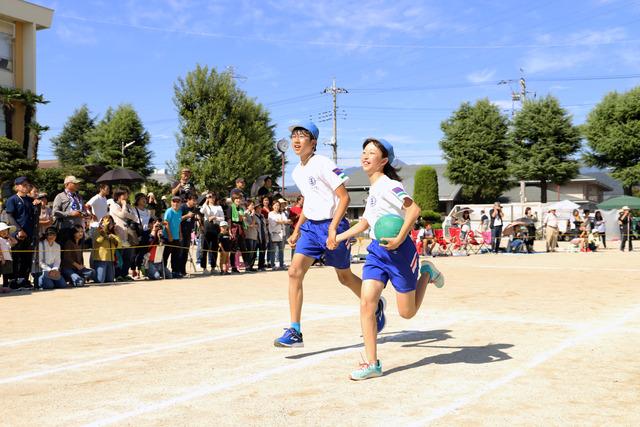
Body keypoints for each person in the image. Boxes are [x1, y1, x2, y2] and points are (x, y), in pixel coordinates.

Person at [335, 137, 444, 380]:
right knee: (366, 302)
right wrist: (339, 236)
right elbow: (365, 222)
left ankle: (426, 273)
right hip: (376, 252)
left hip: (400, 252)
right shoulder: (373, 189)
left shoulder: (388, 185)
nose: (365, 156)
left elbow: (413, 209)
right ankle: (372, 363)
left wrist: (398, 239)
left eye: (371, 153)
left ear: (383, 161)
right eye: (364, 151)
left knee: (407, 313)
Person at [274, 120, 383, 348]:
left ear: (313, 143)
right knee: (294, 272)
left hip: (333, 226)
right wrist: (296, 230)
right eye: (294, 135)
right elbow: (309, 203)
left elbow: (345, 198)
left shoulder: (323, 163)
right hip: (311, 229)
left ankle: (376, 303)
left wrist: (333, 228)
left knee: (344, 277)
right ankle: (295, 331)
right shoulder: (296, 171)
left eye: (302, 135)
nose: (296, 139)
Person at [4, 176, 37, 289]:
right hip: (17, 234)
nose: (26, 187)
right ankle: (14, 280)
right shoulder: (12, 199)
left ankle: (24, 279)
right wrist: (19, 230)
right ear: (17, 187)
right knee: (16, 257)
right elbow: (10, 216)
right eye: (23, 185)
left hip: (30, 233)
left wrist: (38, 204)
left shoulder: (29, 200)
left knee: (27, 257)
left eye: (27, 185)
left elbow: (34, 216)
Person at [107, 188, 137, 281]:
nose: (127, 197)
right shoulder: (113, 205)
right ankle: (118, 274)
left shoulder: (127, 205)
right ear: (119, 196)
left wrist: (126, 208)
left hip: (128, 234)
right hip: (118, 234)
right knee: (119, 256)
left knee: (128, 256)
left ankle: (124, 274)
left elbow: (134, 217)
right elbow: (122, 215)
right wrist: (124, 206)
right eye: (125, 194)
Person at [52, 175, 86, 245]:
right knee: (67, 252)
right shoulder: (60, 196)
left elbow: (83, 209)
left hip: (79, 229)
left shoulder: (79, 197)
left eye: (77, 183)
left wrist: (84, 214)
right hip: (66, 229)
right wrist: (70, 213)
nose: (77, 185)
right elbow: (55, 212)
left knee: (78, 253)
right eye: (74, 183)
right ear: (67, 184)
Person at [200, 193, 224, 274]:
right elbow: (201, 211)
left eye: (213, 197)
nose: (212, 198)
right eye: (210, 197)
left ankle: (213, 267)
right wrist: (206, 201)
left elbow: (222, 218)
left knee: (214, 248)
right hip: (207, 227)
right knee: (204, 248)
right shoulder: (205, 206)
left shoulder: (219, 207)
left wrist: (215, 217)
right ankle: (204, 267)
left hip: (215, 227)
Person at [93, 215, 120, 283]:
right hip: (100, 259)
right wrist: (104, 231)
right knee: (100, 280)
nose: (110, 224)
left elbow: (119, 244)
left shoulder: (114, 232)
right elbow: (98, 240)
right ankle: (90, 274)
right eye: (108, 222)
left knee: (110, 280)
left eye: (111, 222)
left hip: (110, 260)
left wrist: (112, 238)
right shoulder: (97, 231)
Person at [177, 194, 200, 277]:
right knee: (180, 252)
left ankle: (183, 271)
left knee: (185, 252)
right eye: (193, 200)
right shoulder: (182, 207)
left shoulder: (194, 209)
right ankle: (178, 271)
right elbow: (178, 218)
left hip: (188, 233)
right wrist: (187, 216)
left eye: (195, 200)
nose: (195, 202)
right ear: (188, 200)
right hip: (181, 232)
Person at [131, 193, 151, 279]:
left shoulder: (147, 211)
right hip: (137, 233)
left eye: (145, 198)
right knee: (135, 253)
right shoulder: (134, 210)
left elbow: (150, 220)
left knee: (143, 253)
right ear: (137, 200)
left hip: (146, 233)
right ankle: (133, 270)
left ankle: (139, 270)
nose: (144, 200)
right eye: (142, 198)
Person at [226, 194, 247, 273]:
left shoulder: (241, 208)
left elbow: (242, 219)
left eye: (239, 199)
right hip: (233, 228)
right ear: (233, 200)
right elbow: (229, 220)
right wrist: (229, 230)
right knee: (233, 248)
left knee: (243, 247)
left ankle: (247, 265)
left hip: (240, 228)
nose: (238, 200)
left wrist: (243, 219)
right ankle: (233, 267)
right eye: (236, 199)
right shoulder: (230, 208)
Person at [163, 196, 183, 277]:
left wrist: (180, 234)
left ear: (180, 203)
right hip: (168, 237)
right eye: (174, 201)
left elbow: (179, 223)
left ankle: (175, 271)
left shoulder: (180, 212)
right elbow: (166, 223)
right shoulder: (169, 211)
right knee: (166, 255)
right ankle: (163, 271)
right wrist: (170, 235)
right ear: (171, 202)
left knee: (176, 256)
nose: (176, 203)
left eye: (178, 202)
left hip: (176, 237)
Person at [268, 199, 289, 270]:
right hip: (274, 233)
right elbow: (273, 223)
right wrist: (281, 221)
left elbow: (286, 221)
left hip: (281, 233)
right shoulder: (270, 213)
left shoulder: (281, 213)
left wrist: (280, 221)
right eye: (275, 205)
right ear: (272, 206)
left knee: (281, 250)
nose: (277, 207)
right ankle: (273, 265)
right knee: (273, 250)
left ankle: (281, 264)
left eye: (278, 205)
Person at [0, 222, 17, 292]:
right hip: (2, 259)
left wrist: (9, 236)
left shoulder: (8, 240)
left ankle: (5, 286)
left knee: (6, 274)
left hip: (8, 259)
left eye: (6, 230)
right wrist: (2, 258)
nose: (4, 232)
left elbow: (15, 242)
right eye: (2, 231)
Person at [243, 200, 259, 272]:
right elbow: (250, 225)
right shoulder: (245, 214)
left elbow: (256, 225)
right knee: (249, 251)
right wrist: (253, 216)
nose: (253, 207)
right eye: (252, 205)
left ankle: (251, 266)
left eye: (253, 205)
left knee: (253, 252)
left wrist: (253, 216)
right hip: (248, 235)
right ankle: (247, 267)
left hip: (254, 235)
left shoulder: (253, 214)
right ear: (247, 206)